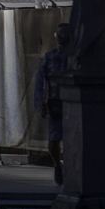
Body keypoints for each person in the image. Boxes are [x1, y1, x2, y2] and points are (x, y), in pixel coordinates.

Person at [33, 23, 69, 183]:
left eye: (63, 34)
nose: (60, 37)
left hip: (72, 103)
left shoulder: (77, 56)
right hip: (56, 103)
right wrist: (40, 103)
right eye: (58, 34)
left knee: (69, 138)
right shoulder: (50, 57)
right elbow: (40, 81)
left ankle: (66, 166)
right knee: (54, 139)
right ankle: (58, 165)